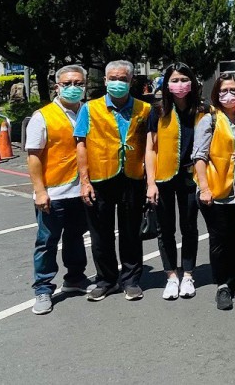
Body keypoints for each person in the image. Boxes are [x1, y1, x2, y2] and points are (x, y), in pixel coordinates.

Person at [75, 60, 151, 301]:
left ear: (131, 82)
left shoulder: (144, 109)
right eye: (113, 79)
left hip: (132, 177)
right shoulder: (89, 108)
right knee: (100, 234)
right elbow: (81, 145)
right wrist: (84, 181)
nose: (118, 83)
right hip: (100, 177)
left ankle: (131, 280)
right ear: (105, 81)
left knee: (131, 232)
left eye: (123, 79)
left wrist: (150, 182)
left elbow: (151, 145)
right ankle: (106, 280)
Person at [25, 65, 93, 315]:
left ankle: (75, 278)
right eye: (67, 84)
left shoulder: (88, 112)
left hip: (81, 191)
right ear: (57, 87)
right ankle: (43, 288)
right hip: (53, 192)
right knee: (47, 241)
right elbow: (33, 156)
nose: (73, 88)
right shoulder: (42, 116)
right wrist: (39, 190)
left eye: (78, 83)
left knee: (76, 237)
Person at [191, 73, 235, 310]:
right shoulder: (209, 120)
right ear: (216, 95)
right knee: (219, 239)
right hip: (216, 189)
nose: (229, 95)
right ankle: (221, 285)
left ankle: (232, 277)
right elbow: (199, 156)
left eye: (233, 90)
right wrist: (204, 188)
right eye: (224, 91)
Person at [145, 63, 206, 301]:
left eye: (184, 79)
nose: (179, 84)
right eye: (174, 80)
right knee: (165, 229)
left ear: (192, 82)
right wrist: (151, 183)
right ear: (166, 85)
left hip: (191, 178)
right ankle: (171, 275)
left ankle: (188, 274)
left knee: (189, 227)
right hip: (164, 179)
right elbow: (151, 149)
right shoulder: (158, 110)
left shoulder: (202, 110)